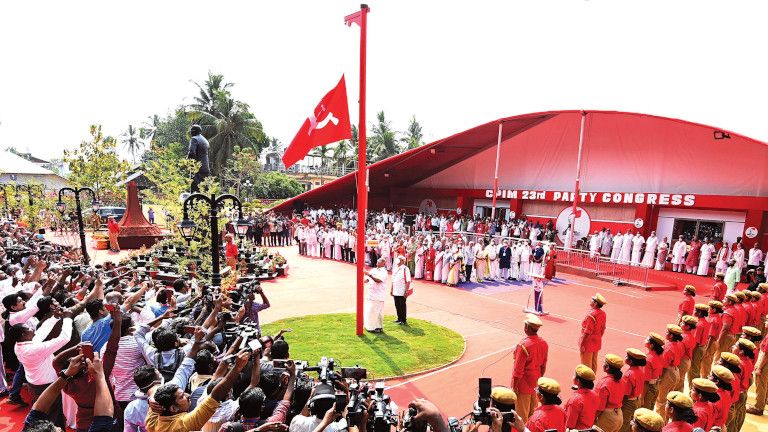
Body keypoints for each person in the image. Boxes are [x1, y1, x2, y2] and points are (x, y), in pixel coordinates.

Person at [145, 351, 250, 432]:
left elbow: (153, 388)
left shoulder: (153, 421)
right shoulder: (182, 425)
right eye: (181, 397)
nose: (188, 395)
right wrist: (237, 367)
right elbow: (216, 395)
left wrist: (152, 398)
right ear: (173, 408)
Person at [511, 314, 548, 422]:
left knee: (521, 415)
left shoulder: (523, 345)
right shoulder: (544, 343)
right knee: (533, 411)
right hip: (536, 380)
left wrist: (514, 387)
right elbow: (543, 365)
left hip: (523, 383)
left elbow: (518, 370)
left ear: (527, 327)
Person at [594, 353, 625, 432]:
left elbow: (600, 407)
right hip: (619, 415)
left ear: (607, 367)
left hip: (607, 417)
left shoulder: (604, 383)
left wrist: (593, 419)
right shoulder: (622, 381)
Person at [620, 348, 647, 432]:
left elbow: (626, 393)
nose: (625, 357)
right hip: (636, 400)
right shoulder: (640, 371)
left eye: (627, 357)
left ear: (631, 361)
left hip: (628, 402)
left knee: (624, 426)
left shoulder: (628, 375)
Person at [564, 364, 598, 430]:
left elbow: (570, 425)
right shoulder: (595, 395)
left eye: (574, 375)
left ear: (578, 381)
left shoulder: (575, 401)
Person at [579, 293, 607, 373]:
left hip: (588, 342)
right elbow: (603, 328)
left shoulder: (591, 315)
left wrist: (582, 344)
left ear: (595, 303)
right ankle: (592, 380)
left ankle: (586, 382)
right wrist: (598, 337)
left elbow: (587, 331)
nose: (590, 300)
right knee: (594, 362)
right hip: (597, 340)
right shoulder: (603, 313)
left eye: (592, 300)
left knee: (586, 365)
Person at [364, 258, 387, 333]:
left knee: (377, 311)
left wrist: (369, 275)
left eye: (379, 262)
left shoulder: (384, 272)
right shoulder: (373, 270)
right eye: (377, 261)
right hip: (371, 294)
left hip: (378, 295)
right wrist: (364, 280)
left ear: (383, 264)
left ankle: (377, 327)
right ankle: (371, 326)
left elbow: (378, 281)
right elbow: (367, 279)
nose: (377, 263)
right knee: (370, 310)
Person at [187, 124, 210, 193]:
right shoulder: (205, 140)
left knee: (195, 189)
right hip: (206, 167)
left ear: (193, 132)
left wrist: (188, 162)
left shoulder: (194, 139)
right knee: (204, 189)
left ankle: (195, 203)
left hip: (197, 168)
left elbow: (192, 153)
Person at [391, 255, 412, 325]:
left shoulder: (405, 269)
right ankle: (399, 318)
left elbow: (408, 281)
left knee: (402, 305)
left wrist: (406, 291)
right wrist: (391, 289)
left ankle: (403, 319)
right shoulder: (395, 268)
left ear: (403, 261)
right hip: (395, 290)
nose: (397, 260)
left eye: (399, 259)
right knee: (397, 305)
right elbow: (393, 280)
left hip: (402, 290)